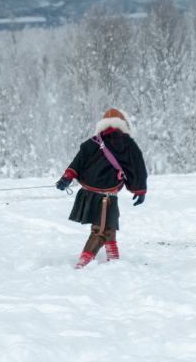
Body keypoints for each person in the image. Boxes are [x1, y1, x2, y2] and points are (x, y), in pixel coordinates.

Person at [56, 108, 148, 269]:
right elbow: (137, 168)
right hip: (107, 196)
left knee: (110, 224)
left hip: (87, 193)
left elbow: (76, 163)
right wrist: (139, 191)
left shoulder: (92, 142)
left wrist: (66, 179)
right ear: (123, 124)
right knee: (99, 232)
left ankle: (114, 260)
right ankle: (81, 266)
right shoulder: (126, 143)